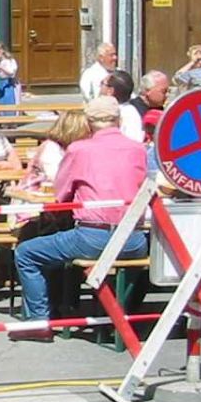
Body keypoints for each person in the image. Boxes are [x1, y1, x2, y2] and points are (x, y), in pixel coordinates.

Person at [12, 96, 148, 337]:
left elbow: (62, 194)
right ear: (117, 119)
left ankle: (38, 321)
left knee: (26, 253)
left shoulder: (79, 150)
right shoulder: (138, 149)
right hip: (134, 239)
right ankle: (118, 317)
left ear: (89, 122)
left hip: (92, 236)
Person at [100, 69, 143, 144]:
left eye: (102, 83)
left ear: (110, 91)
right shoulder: (100, 110)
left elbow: (134, 143)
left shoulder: (129, 114)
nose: (99, 86)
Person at [130, 70, 169, 138]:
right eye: (163, 91)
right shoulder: (133, 111)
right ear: (147, 90)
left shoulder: (160, 108)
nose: (167, 95)